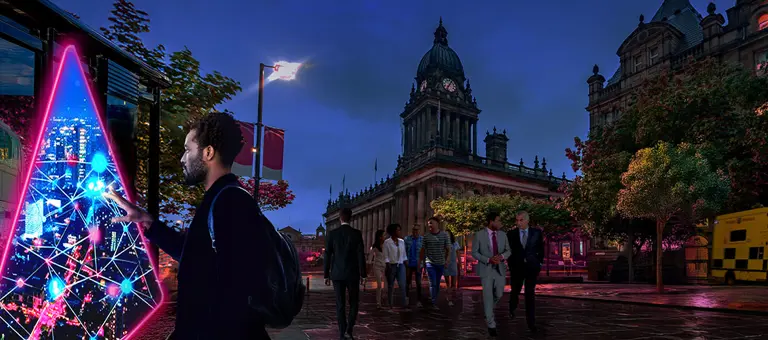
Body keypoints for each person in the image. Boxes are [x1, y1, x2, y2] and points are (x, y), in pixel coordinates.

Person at [104, 112, 270, 339]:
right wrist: (147, 221)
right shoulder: (219, 199)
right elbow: (195, 256)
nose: (183, 158)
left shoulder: (230, 202)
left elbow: (233, 290)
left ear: (208, 152)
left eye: (188, 149)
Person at [324, 207, 366, 340]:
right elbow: (361, 255)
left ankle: (342, 331)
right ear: (351, 218)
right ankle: (349, 330)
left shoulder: (332, 234)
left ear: (340, 218)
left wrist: (326, 274)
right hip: (352, 274)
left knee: (340, 304)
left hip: (337, 274)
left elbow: (327, 255)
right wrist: (363, 274)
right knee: (354, 302)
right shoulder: (357, 234)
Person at [471, 211, 511, 337]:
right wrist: (488, 259)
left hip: (499, 269)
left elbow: (509, 250)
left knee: (499, 293)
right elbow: (474, 252)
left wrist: (502, 256)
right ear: (491, 221)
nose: (500, 223)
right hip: (486, 269)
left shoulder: (503, 235)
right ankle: (491, 323)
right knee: (487, 296)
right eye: (498, 220)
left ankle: (488, 311)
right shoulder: (479, 235)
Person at [507, 211, 544, 333]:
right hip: (517, 268)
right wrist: (511, 264)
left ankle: (531, 322)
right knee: (515, 291)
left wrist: (539, 263)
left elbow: (541, 249)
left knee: (530, 293)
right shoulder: (511, 234)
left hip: (531, 267)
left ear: (527, 220)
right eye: (517, 220)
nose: (518, 223)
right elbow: (508, 251)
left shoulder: (537, 233)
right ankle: (512, 307)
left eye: (521, 220)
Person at [419, 217, 450, 308]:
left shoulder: (444, 235)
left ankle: (434, 298)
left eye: (431, 223)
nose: (430, 225)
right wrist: (420, 262)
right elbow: (423, 250)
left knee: (437, 282)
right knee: (433, 283)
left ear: (437, 224)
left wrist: (447, 260)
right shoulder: (426, 236)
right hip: (430, 263)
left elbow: (448, 249)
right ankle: (433, 302)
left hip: (440, 263)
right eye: (429, 223)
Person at [382, 223, 408, 309]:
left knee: (402, 284)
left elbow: (404, 254)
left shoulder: (402, 241)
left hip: (400, 265)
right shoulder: (387, 242)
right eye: (398, 230)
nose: (399, 232)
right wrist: (387, 264)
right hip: (391, 265)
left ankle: (404, 303)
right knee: (391, 285)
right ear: (393, 231)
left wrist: (406, 263)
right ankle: (390, 303)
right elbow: (385, 255)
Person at [403, 225, 423, 307]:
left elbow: (423, 252)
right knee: (407, 282)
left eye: (417, 230)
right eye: (414, 230)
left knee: (418, 283)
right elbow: (403, 251)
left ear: (419, 231)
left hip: (418, 264)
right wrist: (405, 260)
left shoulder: (422, 240)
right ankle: (406, 298)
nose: (415, 232)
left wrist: (423, 263)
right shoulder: (407, 239)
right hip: (409, 263)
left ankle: (419, 300)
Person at [369, 230, 387, 308]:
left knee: (386, 285)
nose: (385, 237)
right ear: (380, 237)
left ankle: (384, 296)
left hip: (385, 266)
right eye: (384, 235)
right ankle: (378, 302)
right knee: (379, 284)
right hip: (377, 266)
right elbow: (370, 258)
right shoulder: (374, 246)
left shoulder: (386, 245)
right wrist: (368, 268)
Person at [443, 230, 460, 306]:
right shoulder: (443, 244)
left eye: (448, 234)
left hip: (453, 264)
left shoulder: (455, 243)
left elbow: (458, 255)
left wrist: (460, 264)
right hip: (446, 264)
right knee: (447, 284)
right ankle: (449, 299)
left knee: (454, 284)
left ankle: (452, 298)